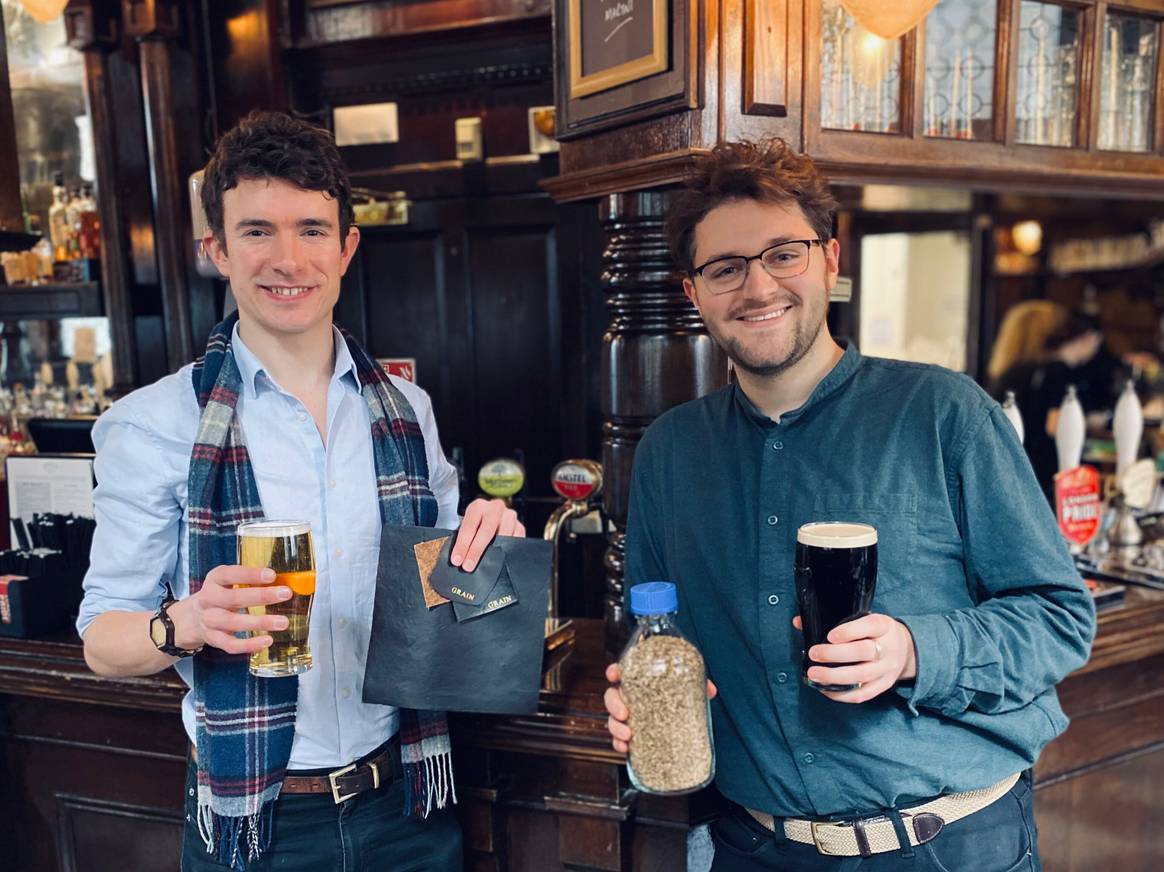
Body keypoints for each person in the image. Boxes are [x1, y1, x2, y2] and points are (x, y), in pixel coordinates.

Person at [602, 139, 1096, 871]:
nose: (758, 286)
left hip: (949, 848)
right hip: (759, 848)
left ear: (831, 261)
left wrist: (912, 648)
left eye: (783, 254)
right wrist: (643, 695)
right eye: (725, 267)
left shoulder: (944, 413)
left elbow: (1059, 618)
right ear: (693, 292)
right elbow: (657, 628)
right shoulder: (672, 452)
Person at [78, 111, 523, 872]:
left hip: (409, 805)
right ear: (215, 248)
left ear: (347, 246)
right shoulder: (151, 424)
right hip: (256, 821)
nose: (288, 259)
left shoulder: (406, 411)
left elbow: (453, 605)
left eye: (312, 229)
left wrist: (492, 551)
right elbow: (100, 639)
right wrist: (183, 622)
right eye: (257, 231)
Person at [987, 301, 1122, 502]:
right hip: (1043, 474)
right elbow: (1054, 426)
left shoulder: (1010, 374)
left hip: (1012, 471)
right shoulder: (1054, 372)